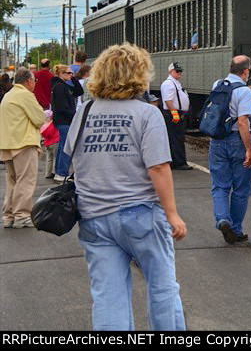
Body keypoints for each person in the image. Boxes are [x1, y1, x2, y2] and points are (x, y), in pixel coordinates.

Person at [63, 43, 186, 330]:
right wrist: (172, 214)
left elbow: (71, 159)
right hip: (140, 213)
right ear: (139, 75)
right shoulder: (147, 114)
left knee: (108, 295)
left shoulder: (85, 112)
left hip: (94, 217)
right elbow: (157, 167)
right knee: (162, 287)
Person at [209, 55, 251, 244]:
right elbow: (243, 122)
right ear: (246, 71)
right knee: (241, 188)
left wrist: (250, 89)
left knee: (220, 186)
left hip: (217, 141)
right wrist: (249, 149)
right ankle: (236, 230)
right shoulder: (244, 92)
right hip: (237, 141)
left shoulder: (217, 84)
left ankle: (223, 219)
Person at [1, 68, 46, 228]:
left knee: (12, 181)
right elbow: (39, 118)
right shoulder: (25, 95)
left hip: (8, 143)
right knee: (25, 180)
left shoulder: (9, 95)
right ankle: (22, 215)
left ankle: (9, 216)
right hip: (23, 143)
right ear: (29, 81)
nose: (35, 84)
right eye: (34, 81)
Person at [51, 64, 83, 178]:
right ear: (61, 74)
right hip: (64, 120)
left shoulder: (62, 85)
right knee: (65, 147)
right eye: (69, 73)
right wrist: (73, 115)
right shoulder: (60, 87)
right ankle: (61, 172)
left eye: (71, 73)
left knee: (63, 146)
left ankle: (60, 172)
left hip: (63, 120)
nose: (71, 75)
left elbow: (79, 91)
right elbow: (61, 106)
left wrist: (73, 78)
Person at [160, 62, 191, 170]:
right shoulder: (169, 83)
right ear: (171, 71)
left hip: (178, 113)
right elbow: (168, 100)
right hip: (174, 114)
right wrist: (174, 114)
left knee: (177, 137)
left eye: (180, 71)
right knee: (176, 138)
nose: (180, 73)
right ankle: (179, 162)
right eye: (177, 71)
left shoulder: (175, 83)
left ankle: (177, 161)